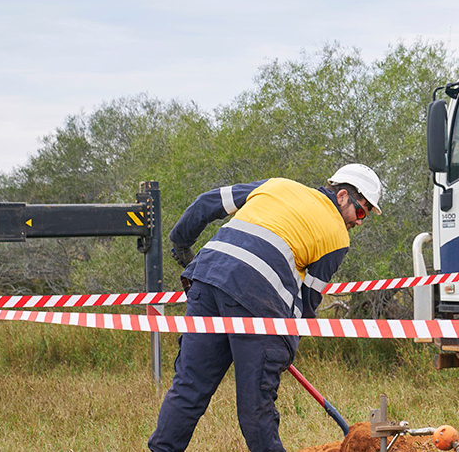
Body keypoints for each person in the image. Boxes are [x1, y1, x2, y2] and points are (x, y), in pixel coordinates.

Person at [149, 164, 383, 452]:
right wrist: (280, 351)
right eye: (360, 212)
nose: (358, 222)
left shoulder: (278, 185)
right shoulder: (337, 237)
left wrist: (181, 243)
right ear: (343, 196)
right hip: (256, 300)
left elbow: (206, 203)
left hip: (207, 278)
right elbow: (307, 302)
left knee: (189, 386)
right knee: (256, 404)